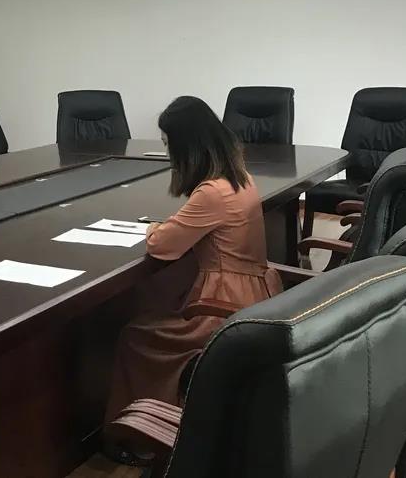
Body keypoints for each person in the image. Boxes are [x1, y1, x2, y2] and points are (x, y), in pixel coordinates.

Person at [104, 96, 283, 463]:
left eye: (168, 144)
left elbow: (161, 245)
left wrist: (153, 227)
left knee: (137, 336)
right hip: (254, 291)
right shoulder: (238, 176)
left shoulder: (212, 192)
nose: (168, 153)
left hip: (224, 306)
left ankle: (139, 436)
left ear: (187, 145)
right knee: (157, 297)